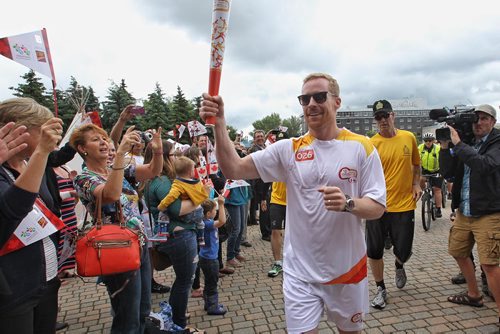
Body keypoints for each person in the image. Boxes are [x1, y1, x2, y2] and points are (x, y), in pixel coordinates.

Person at [199, 72, 386, 333]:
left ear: (337, 102)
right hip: (300, 273)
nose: (311, 103)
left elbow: (377, 207)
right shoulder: (289, 149)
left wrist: (348, 203)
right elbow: (233, 169)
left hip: (347, 270)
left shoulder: (361, 147)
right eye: (304, 98)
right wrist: (219, 123)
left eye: (319, 96)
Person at [71, 121, 163, 334]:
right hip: (115, 247)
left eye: (104, 138)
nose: (103, 142)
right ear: (82, 149)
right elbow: (111, 195)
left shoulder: (118, 169)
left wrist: (157, 152)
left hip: (138, 243)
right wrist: (120, 153)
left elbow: (152, 171)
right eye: (96, 140)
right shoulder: (84, 178)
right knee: (127, 317)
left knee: (142, 310)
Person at [0, 98, 63, 334]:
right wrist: (42, 153)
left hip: (45, 279)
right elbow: (13, 210)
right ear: (18, 129)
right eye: (43, 130)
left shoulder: (32, 165)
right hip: (14, 290)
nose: (50, 138)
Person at [439, 104, 499, 321]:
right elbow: (447, 173)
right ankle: (474, 294)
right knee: (458, 250)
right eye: (476, 119)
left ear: (492, 121)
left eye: (484, 119)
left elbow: (485, 165)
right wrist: (446, 147)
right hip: (465, 211)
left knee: (489, 264)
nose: (478, 123)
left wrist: (459, 144)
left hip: (489, 213)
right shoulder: (468, 143)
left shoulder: (496, 142)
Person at [366, 99, 422, 310]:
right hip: (377, 206)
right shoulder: (371, 144)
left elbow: (416, 164)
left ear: (393, 115)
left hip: (405, 204)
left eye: (385, 116)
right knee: (374, 250)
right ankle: (381, 288)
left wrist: (416, 184)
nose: (382, 120)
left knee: (404, 250)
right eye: (378, 117)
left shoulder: (409, 137)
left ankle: (399, 264)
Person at [143, 142, 200, 330]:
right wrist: (201, 199)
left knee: (182, 280)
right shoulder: (162, 182)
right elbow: (177, 210)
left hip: (177, 236)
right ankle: (178, 324)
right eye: (174, 154)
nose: (177, 157)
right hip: (179, 237)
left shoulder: (159, 180)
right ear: (165, 157)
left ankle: (176, 315)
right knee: (185, 281)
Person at [157, 156, 209, 246]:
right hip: (199, 211)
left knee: (163, 214)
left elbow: (171, 196)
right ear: (190, 172)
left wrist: (161, 206)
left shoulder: (178, 184)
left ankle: (162, 233)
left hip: (187, 215)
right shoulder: (197, 182)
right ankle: (201, 238)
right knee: (201, 224)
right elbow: (202, 193)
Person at [199, 196, 228, 315]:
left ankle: (209, 303)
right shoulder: (207, 224)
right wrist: (221, 204)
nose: (216, 212)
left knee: (209, 282)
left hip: (206, 258)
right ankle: (212, 306)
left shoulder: (206, 222)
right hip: (210, 259)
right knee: (212, 284)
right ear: (208, 213)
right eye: (214, 210)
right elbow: (222, 221)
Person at [418, 132, 443, 218]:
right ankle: (425, 193)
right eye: (426, 140)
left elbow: (443, 160)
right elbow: (417, 160)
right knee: (421, 180)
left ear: (433, 141)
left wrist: (442, 171)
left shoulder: (438, 149)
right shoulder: (420, 148)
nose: (428, 142)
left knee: (437, 189)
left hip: (436, 171)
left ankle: (438, 209)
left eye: (430, 140)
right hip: (425, 170)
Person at [267, 181, 286, 278]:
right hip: (276, 199)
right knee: (275, 231)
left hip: (294, 200)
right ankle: (278, 263)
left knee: (295, 232)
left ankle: (294, 261)